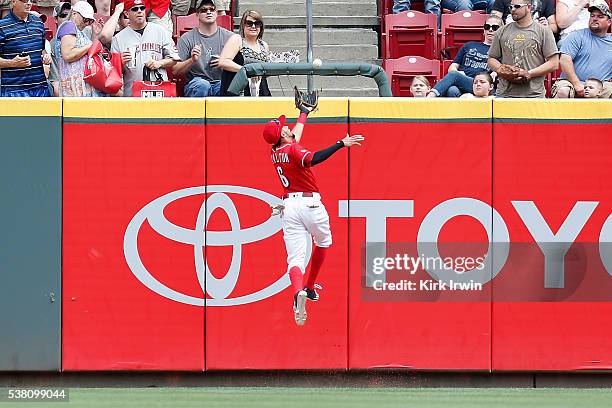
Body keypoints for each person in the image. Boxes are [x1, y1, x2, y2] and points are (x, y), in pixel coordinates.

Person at [262, 102, 365, 326]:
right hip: (310, 204)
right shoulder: (294, 149)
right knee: (324, 242)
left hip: (289, 206)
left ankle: (298, 290)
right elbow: (313, 158)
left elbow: (293, 137)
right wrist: (341, 143)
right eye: (284, 127)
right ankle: (309, 286)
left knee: (295, 260)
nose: (287, 127)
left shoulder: (276, 151)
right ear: (282, 135)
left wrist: (303, 114)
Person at [488, 0, 559, 98]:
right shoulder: (502, 31)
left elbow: (554, 63)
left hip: (534, 95)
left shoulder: (544, 31)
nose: (513, 10)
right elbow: (491, 58)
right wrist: (502, 70)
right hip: (504, 94)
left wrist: (528, 73)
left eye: (517, 6)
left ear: (529, 7)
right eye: (510, 7)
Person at [111, 0, 179, 96]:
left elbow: (174, 59)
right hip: (132, 93)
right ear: (127, 14)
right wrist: (120, 63)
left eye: (142, 8)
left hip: (159, 91)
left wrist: (159, 63)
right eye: (135, 9)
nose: (139, 11)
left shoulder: (160, 31)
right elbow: (113, 72)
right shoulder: (118, 38)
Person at [427, 16, 501, 98]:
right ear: (484, 30)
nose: (490, 30)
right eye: (487, 27)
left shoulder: (501, 50)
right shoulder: (469, 45)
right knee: (452, 90)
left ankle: (430, 97)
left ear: (501, 30)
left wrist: (496, 72)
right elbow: (452, 67)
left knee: (454, 75)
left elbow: (505, 67)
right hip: (463, 81)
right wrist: (458, 74)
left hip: (481, 83)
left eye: (494, 28)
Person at [173, 0, 236, 97]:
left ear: (216, 12)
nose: (208, 12)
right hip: (196, 84)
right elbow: (175, 70)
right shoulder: (187, 38)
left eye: (212, 9)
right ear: (197, 14)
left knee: (224, 87)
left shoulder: (230, 37)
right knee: (203, 85)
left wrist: (225, 61)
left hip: (220, 82)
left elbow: (240, 66)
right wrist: (192, 60)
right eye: (204, 10)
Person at [552, 1, 612, 98]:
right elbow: (564, 60)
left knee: (610, 89)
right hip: (570, 82)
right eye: (592, 16)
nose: (595, 19)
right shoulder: (576, 36)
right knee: (564, 90)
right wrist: (576, 84)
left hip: (600, 85)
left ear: (609, 22)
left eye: (600, 17)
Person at [0, 0, 51, 97]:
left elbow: (42, 49)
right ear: (13, 2)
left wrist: (46, 56)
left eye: (31, 0)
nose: (28, 3)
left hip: (40, 89)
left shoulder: (38, 23)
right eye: (24, 0)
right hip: (14, 91)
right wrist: (12, 63)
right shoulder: (2, 26)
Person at [54, 1, 103, 96]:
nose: (87, 23)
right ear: (74, 14)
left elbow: (88, 53)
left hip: (81, 87)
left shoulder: (80, 32)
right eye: (85, 19)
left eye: (90, 21)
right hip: (74, 88)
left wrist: (95, 34)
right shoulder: (69, 26)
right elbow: (68, 55)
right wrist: (90, 45)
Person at [219, 9, 271, 97]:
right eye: (249, 23)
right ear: (243, 25)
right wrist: (246, 71)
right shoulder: (237, 40)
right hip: (238, 90)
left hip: (260, 91)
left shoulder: (264, 45)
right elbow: (223, 61)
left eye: (257, 23)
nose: (253, 26)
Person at [491, 0, 558, 33]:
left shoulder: (546, 1)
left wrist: (546, 27)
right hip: (508, 36)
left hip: (536, 37)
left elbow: (554, 27)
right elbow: (493, 20)